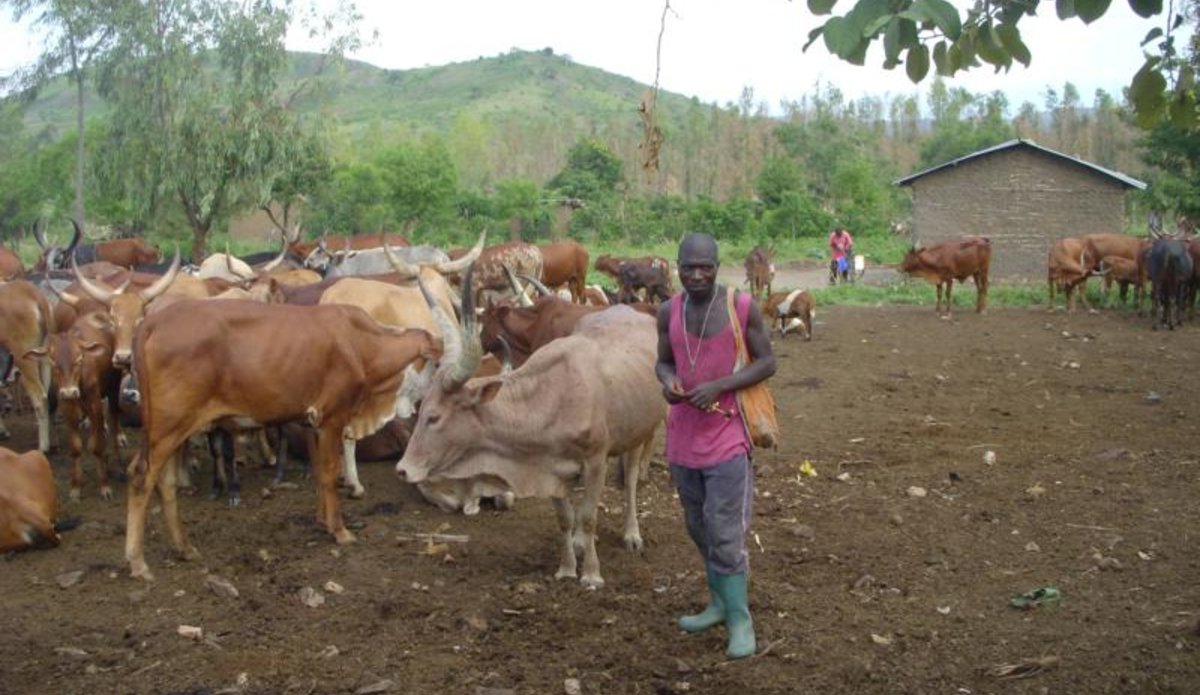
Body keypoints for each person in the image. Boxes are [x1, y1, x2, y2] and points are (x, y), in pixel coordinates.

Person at [655, 232, 777, 660]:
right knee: (698, 527)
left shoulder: (741, 307)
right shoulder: (669, 309)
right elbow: (664, 359)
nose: (697, 274)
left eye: (705, 266)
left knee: (726, 532)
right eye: (688, 267)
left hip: (727, 436)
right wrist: (667, 381)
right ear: (678, 267)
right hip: (683, 438)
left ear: (717, 265)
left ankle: (740, 617)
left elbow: (768, 362)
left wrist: (720, 385)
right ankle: (718, 603)